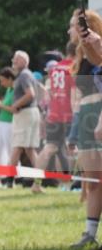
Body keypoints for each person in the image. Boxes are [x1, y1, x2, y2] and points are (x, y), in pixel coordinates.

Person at [69, 8, 102, 250]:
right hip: (86, 116)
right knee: (92, 181)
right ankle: (90, 232)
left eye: (73, 25)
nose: (70, 30)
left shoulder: (96, 51)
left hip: (98, 113)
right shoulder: (82, 56)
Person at [0, 56, 43, 192]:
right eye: (13, 59)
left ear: (25, 61)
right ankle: (37, 183)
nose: (13, 61)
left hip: (25, 113)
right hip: (32, 112)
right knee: (30, 150)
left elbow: (30, 94)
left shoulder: (24, 75)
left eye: (17, 59)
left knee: (17, 147)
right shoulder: (28, 75)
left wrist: (15, 105)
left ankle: (9, 181)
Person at [39, 45, 77, 183]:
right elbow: (74, 94)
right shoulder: (73, 67)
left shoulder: (54, 68)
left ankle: (36, 183)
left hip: (53, 113)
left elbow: (48, 94)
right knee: (70, 147)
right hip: (68, 112)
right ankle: (68, 183)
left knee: (51, 147)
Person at [0, 68, 16, 174]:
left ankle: (13, 176)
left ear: (10, 79)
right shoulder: (8, 90)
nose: (2, 83)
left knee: (10, 150)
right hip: (1, 123)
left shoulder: (15, 91)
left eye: (3, 80)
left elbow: (13, 110)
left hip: (9, 123)